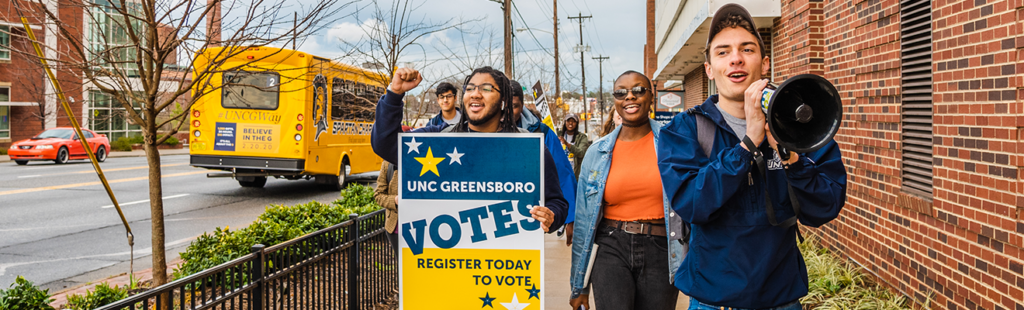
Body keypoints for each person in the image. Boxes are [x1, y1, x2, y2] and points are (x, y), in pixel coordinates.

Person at [657, 4, 848, 309]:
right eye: (723, 52)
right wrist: (747, 146)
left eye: (747, 49)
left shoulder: (801, 126)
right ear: (709, 69)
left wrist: (789, 156)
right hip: (714, 300)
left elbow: (825, 206)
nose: (736, 58)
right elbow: (692, 204)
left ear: (764, 63)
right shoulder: (684, 130)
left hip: (781, 298)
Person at [370, 66, 568, 233]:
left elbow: (557, 203)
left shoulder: (529, 148)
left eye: (487, 88)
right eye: (470, 88)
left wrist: (551, 216)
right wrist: (394, 93)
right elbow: (385, 144)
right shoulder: (440, 140)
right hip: (444, 268)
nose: (475, 93)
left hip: (504, 269)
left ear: (503, 102)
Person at [568, 71, 684, 310]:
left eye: (639, 90)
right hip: (611, 245)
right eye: (621, 92)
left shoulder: (674, 143)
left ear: (651, 96)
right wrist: (579, 286)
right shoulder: (596, 152)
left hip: (661, 248)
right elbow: (583, 222)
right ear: (615, 101)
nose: (630, 97)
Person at [510, 80, 579, 245]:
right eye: (503, 106)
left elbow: (562, 172)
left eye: (514, 106)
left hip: (528, 221)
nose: (507, 113)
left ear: (522, 106)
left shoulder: (541, 132)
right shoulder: (474, 132)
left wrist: (570, 218)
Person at [373, 160, 400, 254]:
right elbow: (378, 195)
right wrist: (395, 200)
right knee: (402, 266)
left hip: (422, 226)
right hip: (395, 228)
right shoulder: (388, 164)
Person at [557, 113, 590, 181]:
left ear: (577, 123)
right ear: (565, 122)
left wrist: (567, 144)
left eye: (573, 121)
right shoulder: (558, 135)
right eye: (568, 120)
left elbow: (582, 153)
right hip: (560, 173)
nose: (571, 123)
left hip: (575, 175)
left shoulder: (582, 137)